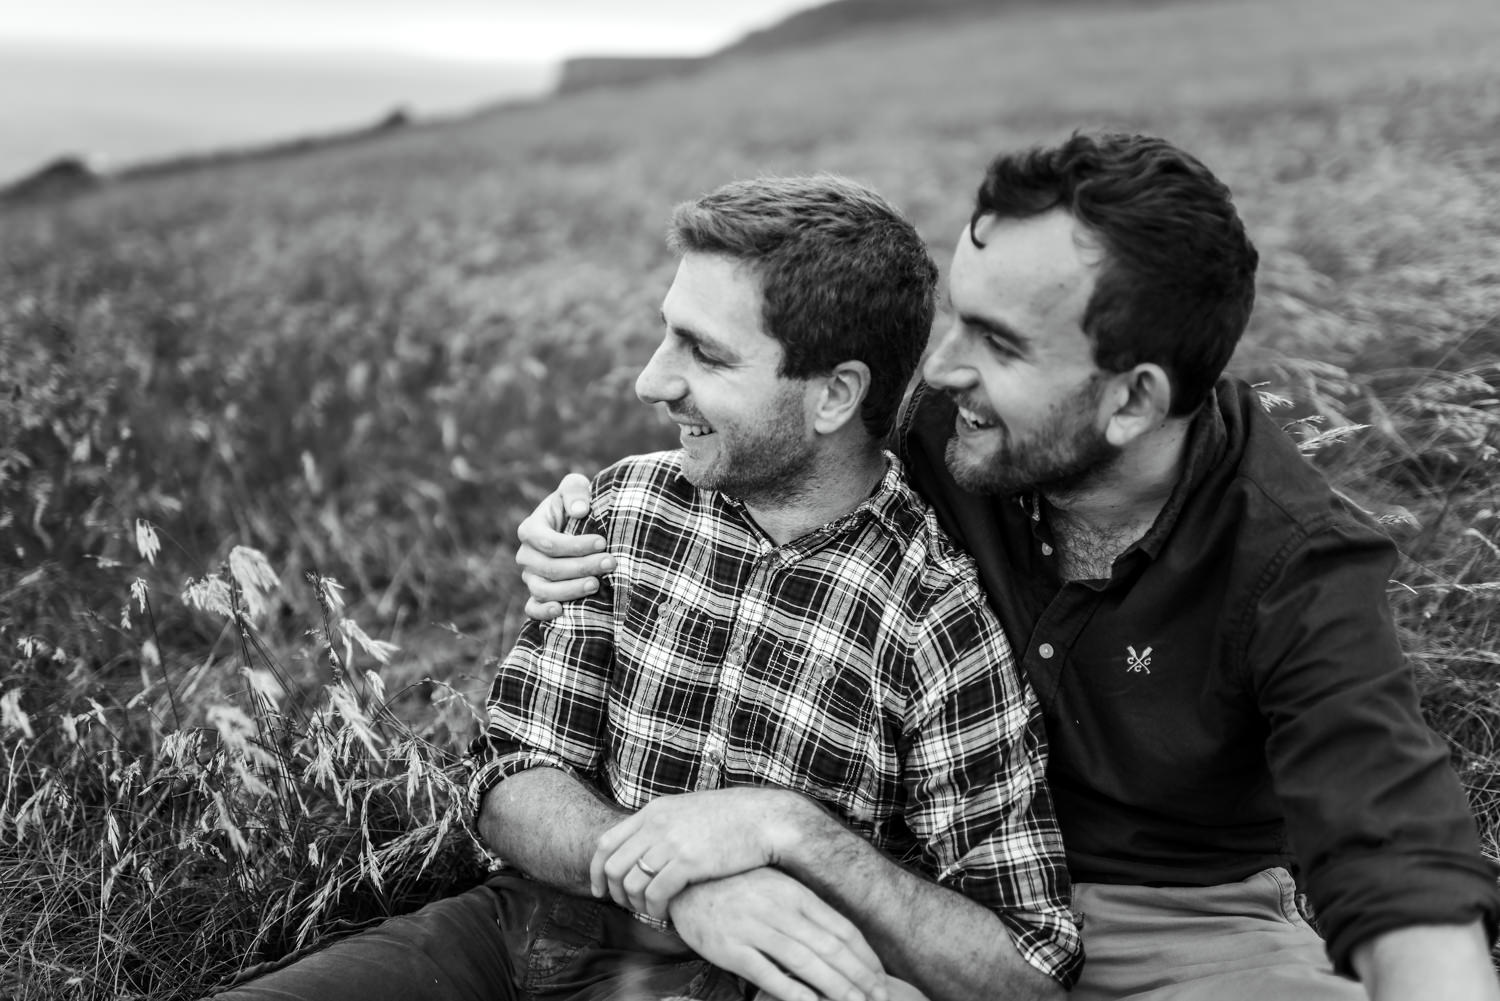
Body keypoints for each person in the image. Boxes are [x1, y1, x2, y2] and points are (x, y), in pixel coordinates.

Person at [517, 132, 1500, 1001]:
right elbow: (774, 457)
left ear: (1131, 401)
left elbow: (1392, 836)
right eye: (957, 315)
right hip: (917, 899)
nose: (940, 368)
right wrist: (579, 518)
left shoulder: (1294, 557)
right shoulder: (950, 430)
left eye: (995, 341)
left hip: (1186, 938)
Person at [207, 175, 1081, 1001]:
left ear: (834, 395)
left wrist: (800, 837)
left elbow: (1027, 967)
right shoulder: (624, 505)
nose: (651, 380)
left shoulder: (932, 609)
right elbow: (509, 778)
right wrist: (677, 887)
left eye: (702, 352)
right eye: (669, 333)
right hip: (529, 930)